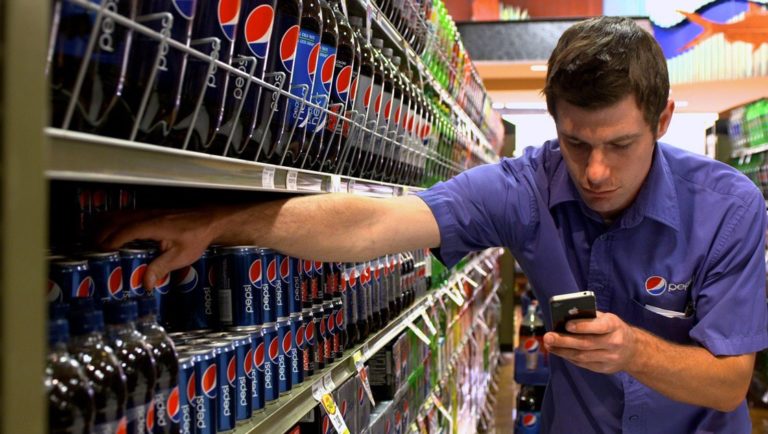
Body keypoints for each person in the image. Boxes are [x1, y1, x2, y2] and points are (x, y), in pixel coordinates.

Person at [99, 16, 768, 433]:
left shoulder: (730, 209)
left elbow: (730, 379)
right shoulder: (525, 186)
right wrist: (219, 224)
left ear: (663, 121)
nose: (593, 171)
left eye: (619, 146)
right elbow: (372, 224)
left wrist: (634, 351)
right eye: (574, 143)